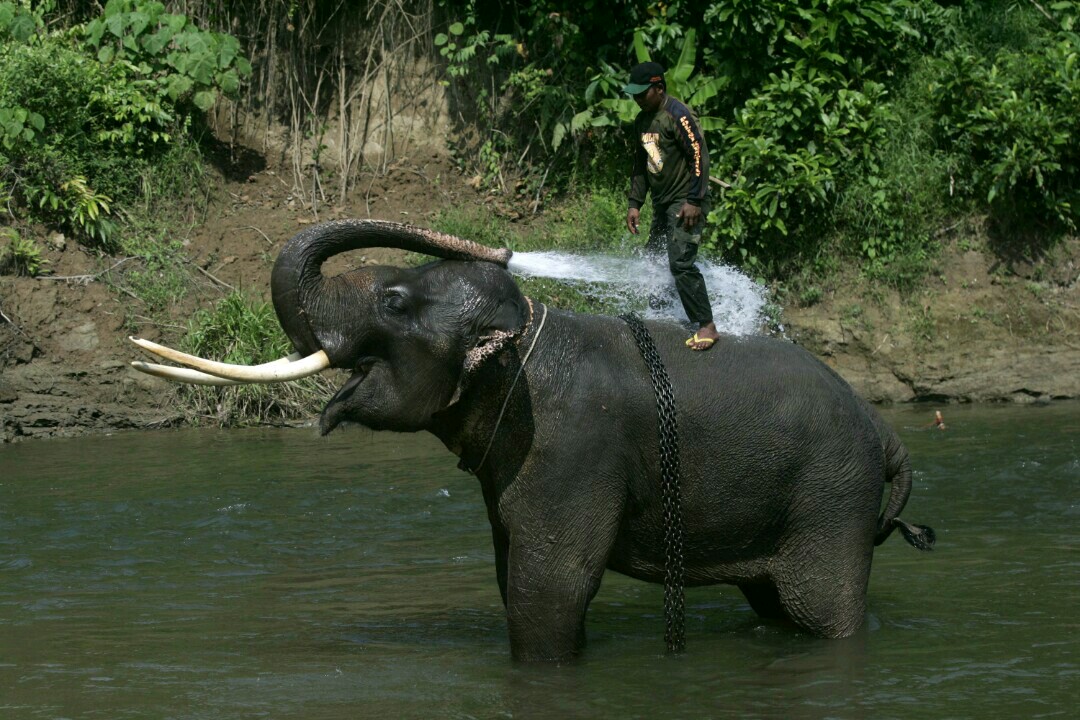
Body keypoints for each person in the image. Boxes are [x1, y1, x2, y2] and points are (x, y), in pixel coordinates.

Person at [624, 61, 719, 351]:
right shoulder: (642, 122)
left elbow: (699, 156)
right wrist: (635, 203)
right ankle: (661, 316)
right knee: (653, 261)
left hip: (686, 200)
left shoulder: (678, 115)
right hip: (663, 203)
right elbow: (641, 164)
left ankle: (707, 325)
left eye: (643, 93)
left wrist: (694, 200)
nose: (638, 99)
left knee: (679, 262)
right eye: (635, 94)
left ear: (659, 88)